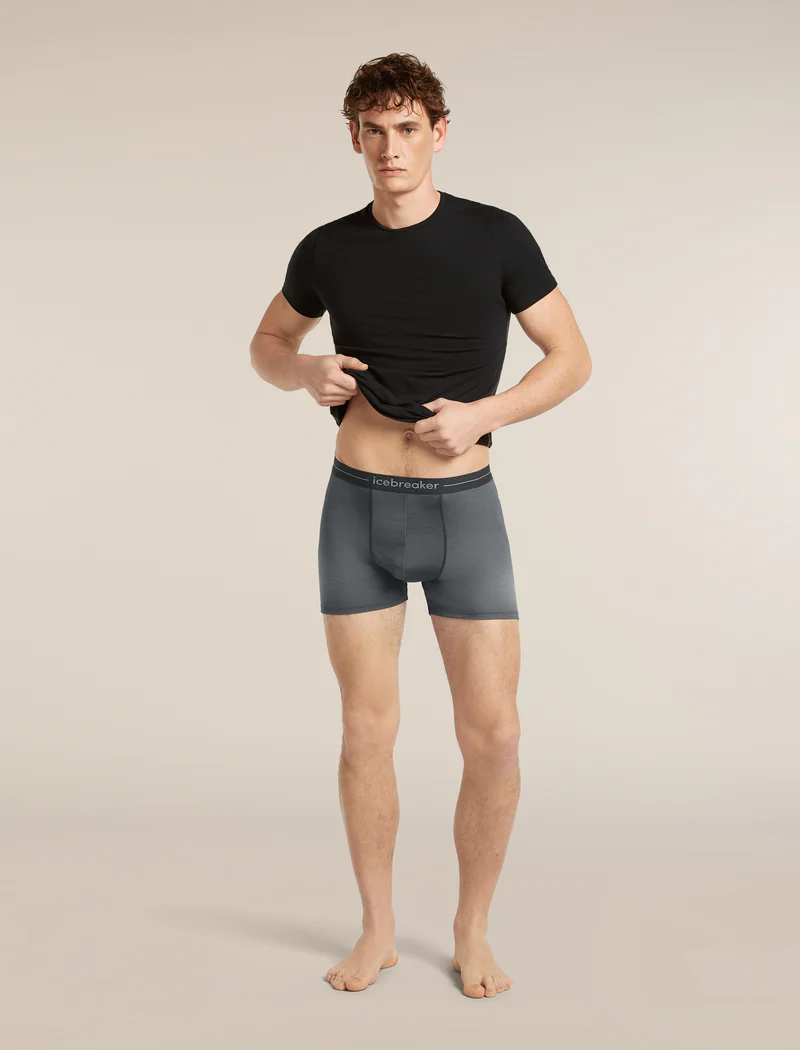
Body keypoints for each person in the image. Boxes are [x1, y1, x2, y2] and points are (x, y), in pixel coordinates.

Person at [249, 52, 591, 998]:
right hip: (356, 508)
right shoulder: (328, 248)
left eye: (407, 129)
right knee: (367, 732)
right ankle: (378, 930)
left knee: (497, 736)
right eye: (373, 131)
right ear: (353, 138)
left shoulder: (496, 237)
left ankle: (472, 930)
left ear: (439, 132)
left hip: (462, 513)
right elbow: (267, 343)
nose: (390, 148)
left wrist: (485, 415)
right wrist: (302, 371)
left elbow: (570, 358)